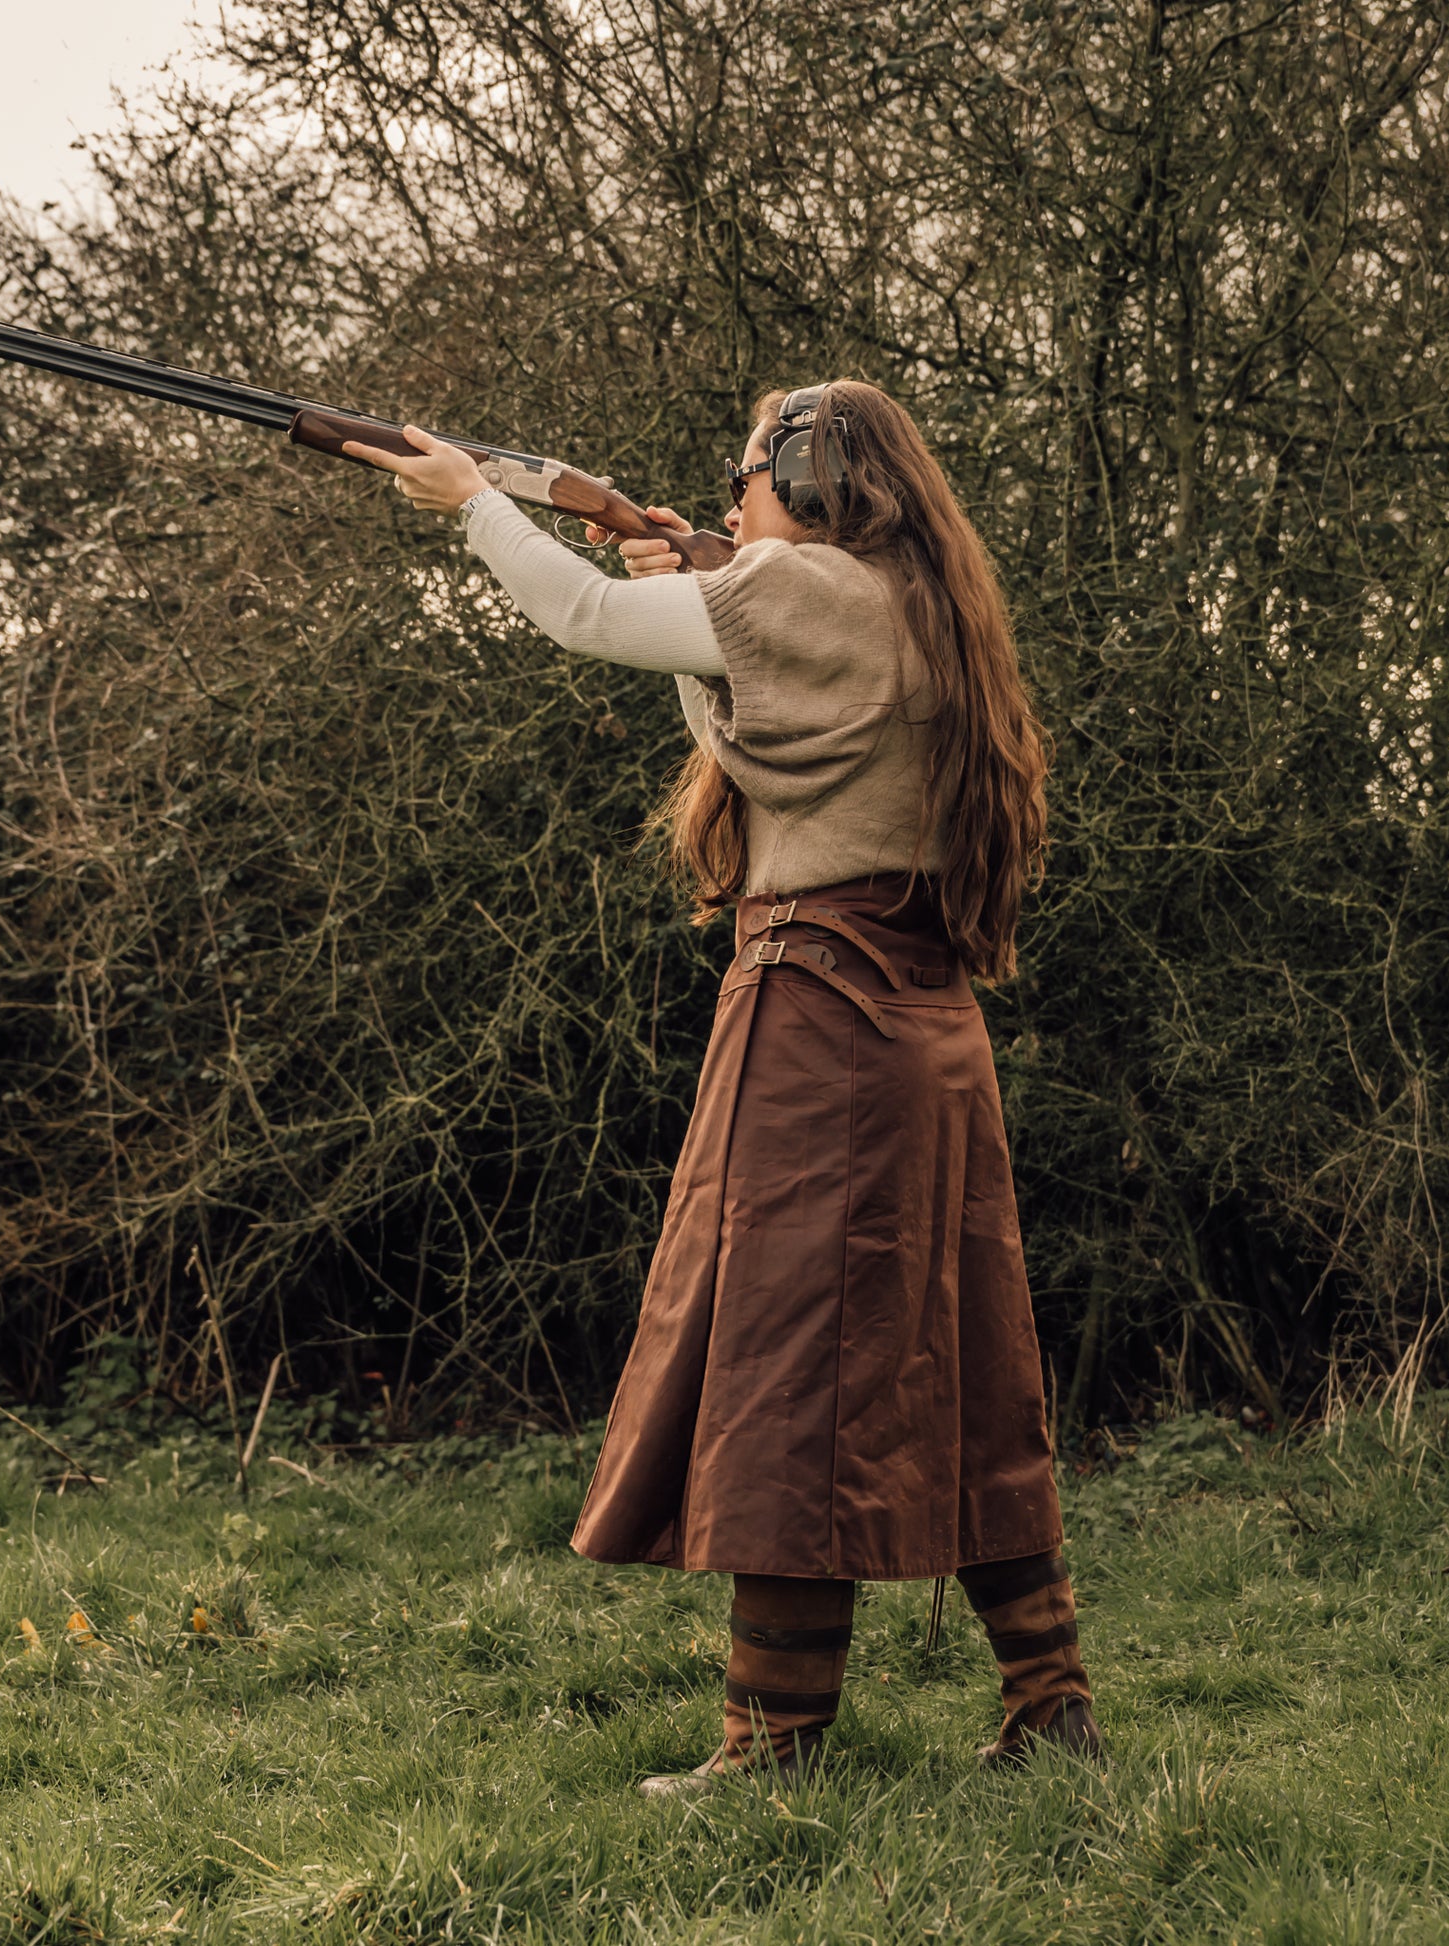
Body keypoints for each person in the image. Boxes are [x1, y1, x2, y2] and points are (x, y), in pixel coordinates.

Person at [346, 382, 1102, 1794]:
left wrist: (475, 506)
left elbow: (576, 622)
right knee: (965, 1369)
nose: (734, 491)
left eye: (750, 471)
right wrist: (701, 595)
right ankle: (1047, 1696)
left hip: (820, 1011)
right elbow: (772, 748)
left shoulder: (803, 585)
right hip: (911, 1018)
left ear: (813, 481)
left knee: (782, 1359)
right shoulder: (901, 598)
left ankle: (776, 1740)